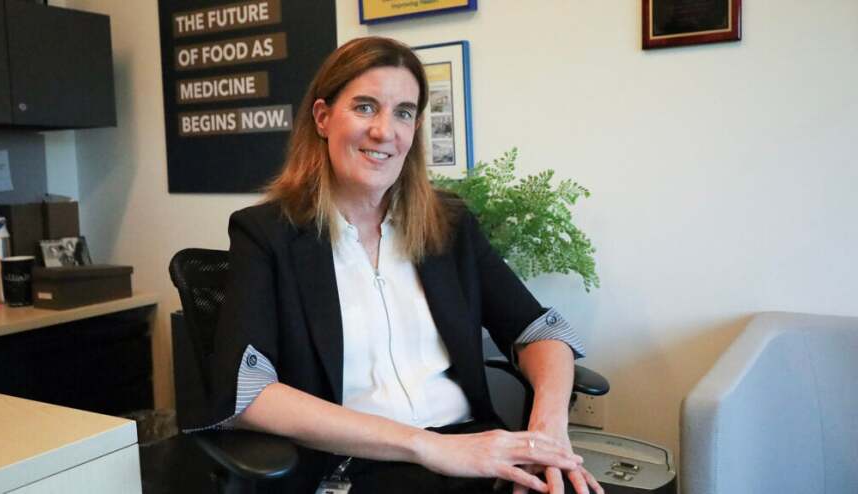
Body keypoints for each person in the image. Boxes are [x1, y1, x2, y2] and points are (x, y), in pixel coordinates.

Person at [199, 36, 604, 494]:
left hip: (475, 453)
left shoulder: (448, 225)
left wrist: (545, 435)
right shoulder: (267, 233)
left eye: (403, 112)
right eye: (365, 107)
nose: (384, 131)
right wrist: (426, 447)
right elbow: (248, 392)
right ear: (322, 117)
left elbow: (540, 331)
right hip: (356, 466)